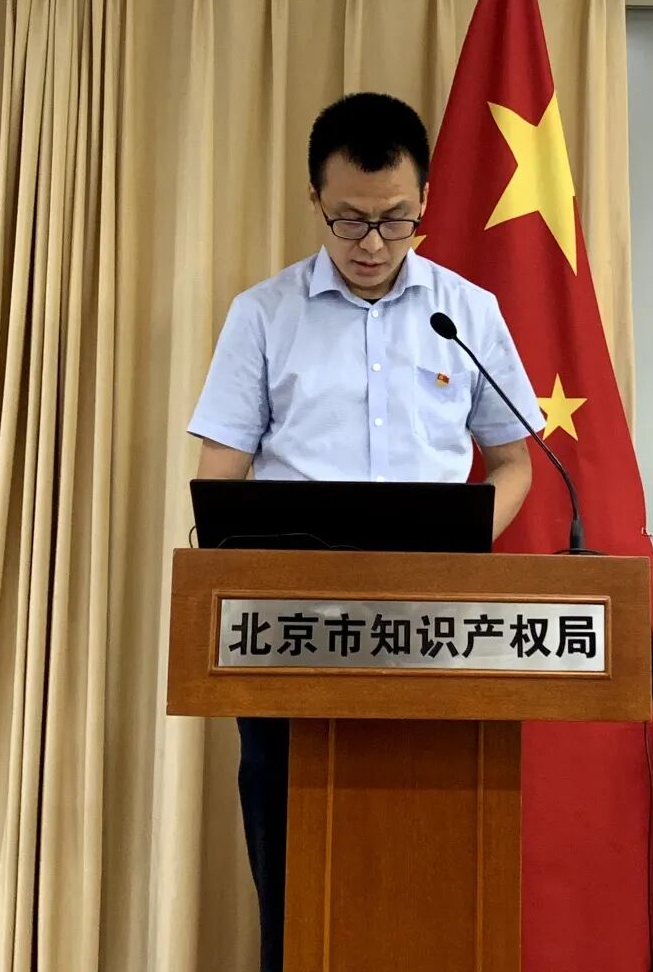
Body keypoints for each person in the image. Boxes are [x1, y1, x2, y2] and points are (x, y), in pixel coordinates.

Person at [188, 91, 544, 972]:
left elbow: (515, 463)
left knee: (436, 866)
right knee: (294, 875)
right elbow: (216, 484)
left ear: (424, 201)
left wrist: (463, 543)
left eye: (396, 220)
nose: (374, 244)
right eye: (349, 220)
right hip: (294, 637)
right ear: (315, 198)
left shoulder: (467, 313)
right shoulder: (263, 315)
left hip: (439, 631)